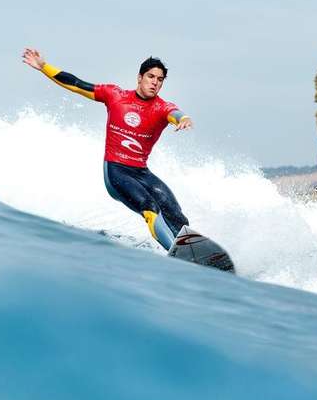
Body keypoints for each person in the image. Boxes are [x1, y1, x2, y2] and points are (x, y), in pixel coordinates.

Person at [22, 48, 193, 250]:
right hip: (116, 172)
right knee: (150, 208)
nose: (155, 82)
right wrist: (43, 67)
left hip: (141, 172)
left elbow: (175, 113)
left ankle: (193, 250)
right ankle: (175, 252)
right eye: (151, 76)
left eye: (160, 79)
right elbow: (76, 84)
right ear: (140, 77)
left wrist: (183, 119)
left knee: (176, 214)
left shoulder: (162, 107)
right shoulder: (115, 96)